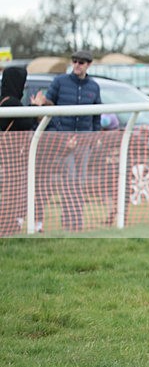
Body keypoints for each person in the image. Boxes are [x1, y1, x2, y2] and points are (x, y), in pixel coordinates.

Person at [40, 49, 102, 231]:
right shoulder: (60, 82)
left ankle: (76, 222)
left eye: (81, 62)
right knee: (69, 181)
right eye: (74, 61)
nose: (77, 64)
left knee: (79, 183)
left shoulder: (94, 86)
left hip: (84, 141)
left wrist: (95, 136)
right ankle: (68, 221)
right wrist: (58, 136)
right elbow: (47, 110)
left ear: (88, 65)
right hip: (63, 142)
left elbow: (97, 114)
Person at [0, 67, 38, 236]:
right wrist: (36, 106)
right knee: (10, 195)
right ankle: (8, 227)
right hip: (8, 160)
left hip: (7, 159)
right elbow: (26, 122)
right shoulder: (11, 103)